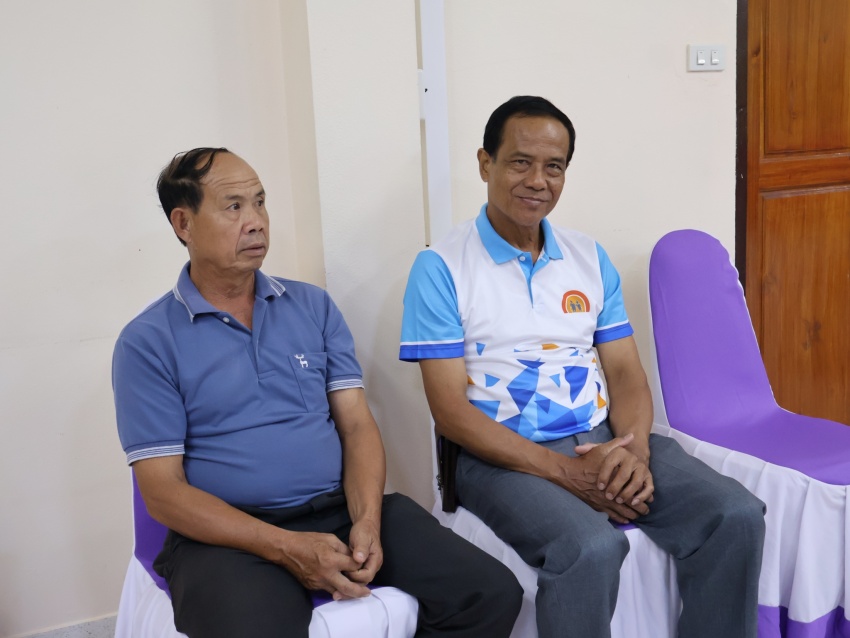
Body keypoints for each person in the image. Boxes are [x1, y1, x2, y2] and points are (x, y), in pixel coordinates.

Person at [113, 147, 522, 638]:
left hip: (337, 508)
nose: (256, 221)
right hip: (227, 536)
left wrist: (366, 520)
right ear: (184, 223)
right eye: (234, 206)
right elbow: (163, 493)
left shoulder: (312, 306)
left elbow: (357, 425)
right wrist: (285, 546)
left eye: (260, 202)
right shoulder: (148, 341)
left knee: (490, 593)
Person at [399, 96, 766, 638]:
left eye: (554, 167)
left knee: (734, 515)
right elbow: (450, 411)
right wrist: (565, 472)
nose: (537, 181)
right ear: (485, 163)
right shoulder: (440, 267)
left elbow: (626, 375)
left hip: (601, 438)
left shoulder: (588, 257)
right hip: (498, 457)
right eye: (520, 162)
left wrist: (632, 450)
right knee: (590, 547)